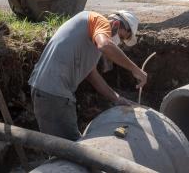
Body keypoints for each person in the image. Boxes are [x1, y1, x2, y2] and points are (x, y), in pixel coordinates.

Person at [28, 10, 147, 141]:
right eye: (122, 37)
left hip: (49, 91)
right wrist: (135, 69)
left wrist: (116, 98)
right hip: (53, 92)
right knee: (71, 151)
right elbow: (105, 45)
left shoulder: (90, 36)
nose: (120, 42)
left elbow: (91, 74)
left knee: (64, 146)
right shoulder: (98, 21)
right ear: (116, 24)